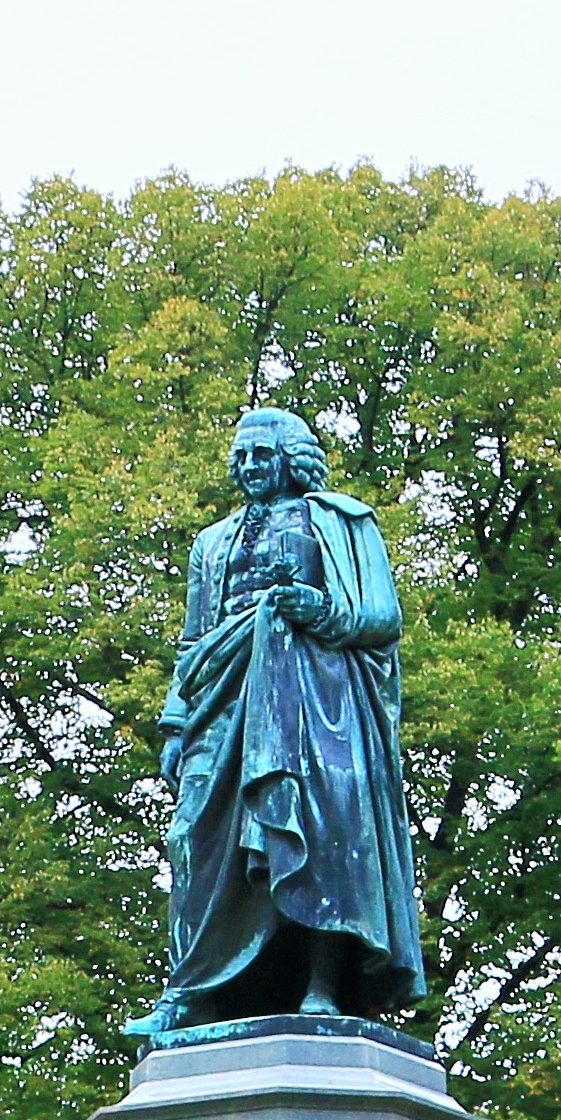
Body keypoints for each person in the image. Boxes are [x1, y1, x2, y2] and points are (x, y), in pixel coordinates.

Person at [139, 404, 425, 1038]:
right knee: (192, 838)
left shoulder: (340, 521)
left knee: (321, 834)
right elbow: (194, 642)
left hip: (316, 699)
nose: (247, 469)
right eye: (239, 458)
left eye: (260, 456)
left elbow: (380, 615)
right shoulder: (212, 543)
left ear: (292, 460)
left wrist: (318, 607)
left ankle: (323, 986)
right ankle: (195, 991)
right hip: (225, 699)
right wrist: (177, 724)